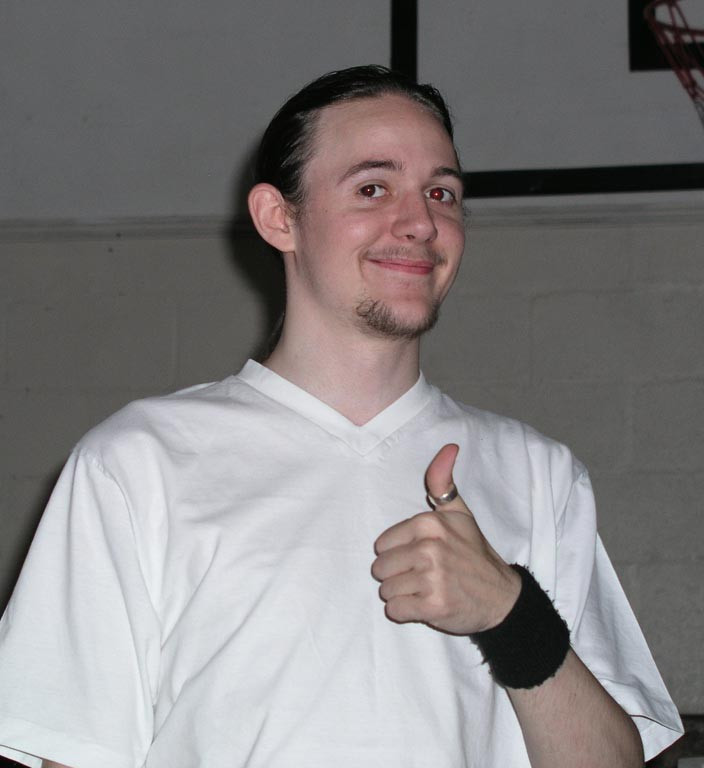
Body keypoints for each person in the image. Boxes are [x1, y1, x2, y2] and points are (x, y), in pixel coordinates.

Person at [0, 65, 683, 768]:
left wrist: (512, 616)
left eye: (442, 193)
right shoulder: (137, 462)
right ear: (279, 217)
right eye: (373, 188)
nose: (422, 223)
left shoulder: (540, 474)